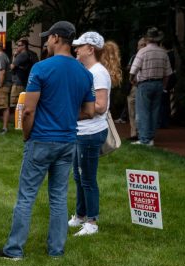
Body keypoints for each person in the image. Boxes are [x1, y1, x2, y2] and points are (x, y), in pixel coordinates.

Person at [0, 20, 95, 260]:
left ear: (57, 38)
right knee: (59, 198)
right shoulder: (84, 72)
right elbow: (90, 111)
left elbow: (28, 111)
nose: (47, 41)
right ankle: (56, 251)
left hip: (41, 139)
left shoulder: (41, 68)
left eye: (49, 37)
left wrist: (27, 135)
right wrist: (66, 115)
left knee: (26, 196)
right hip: (68, 141)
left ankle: (14, 250)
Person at [67, 32, 122, 236]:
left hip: (90, 133)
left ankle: (92, 221)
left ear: (91, 49)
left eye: (80, 46)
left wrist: (73, 112)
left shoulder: (98, 72)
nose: (76, 49)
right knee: (79, 176)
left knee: (87, 178)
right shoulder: (87, 70)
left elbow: (100, 106)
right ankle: (81, 215)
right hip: (82, 132)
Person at [129, 27, 172, 146]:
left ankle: (144, 139)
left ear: (147, 39)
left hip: (144, 84)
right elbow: (168, 73)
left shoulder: (142, 52)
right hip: (158, 84)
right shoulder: (163, 52)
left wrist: (132, 80)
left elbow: (133, 70)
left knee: (143, 112)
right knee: (154, 112)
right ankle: (151, 138)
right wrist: (163, 86)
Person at [10, 39, 35, 106]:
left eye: (19, 45)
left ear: (24, 46)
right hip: (24, 81)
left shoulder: (22, 55)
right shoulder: (30, 54)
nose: (17, 47)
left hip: (18, 82)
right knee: (22, 103)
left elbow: (12, 67)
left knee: (16, 104)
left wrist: (14, 56)